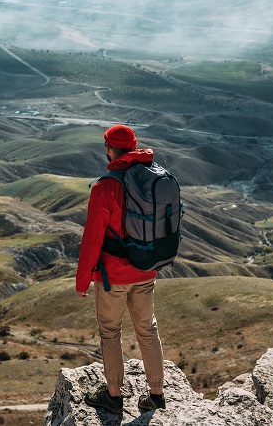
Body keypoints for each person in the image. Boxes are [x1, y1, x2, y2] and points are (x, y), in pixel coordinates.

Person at [77, 124, 166, 415]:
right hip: (146, 269)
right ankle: (156, 394)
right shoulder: (154, 178)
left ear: (109, 149)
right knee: (148, 330)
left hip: (113, 275)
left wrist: (82, 281)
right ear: (134, 146)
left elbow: (92, 238)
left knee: (111, 333)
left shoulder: (106, 187)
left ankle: (113, 396)